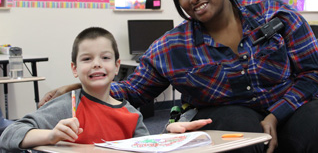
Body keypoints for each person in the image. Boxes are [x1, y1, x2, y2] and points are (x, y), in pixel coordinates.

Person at [38, 0, 318, 153]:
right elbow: (134, 90)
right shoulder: (174, 46)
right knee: (242, 138)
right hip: (227, 110)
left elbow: (313, 74)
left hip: (290, 101)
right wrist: (87, 84)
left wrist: (275, 114)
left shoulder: (272, 13)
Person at [0, 27, 212, 152]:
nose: (97, 64)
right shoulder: (67, 105)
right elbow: (9, 135)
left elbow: (144, 147)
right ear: (74, 68)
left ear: (117, 66)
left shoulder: (131, 114)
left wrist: (167, 135)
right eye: (87, 59)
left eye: (105, 58)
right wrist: (52, 136)